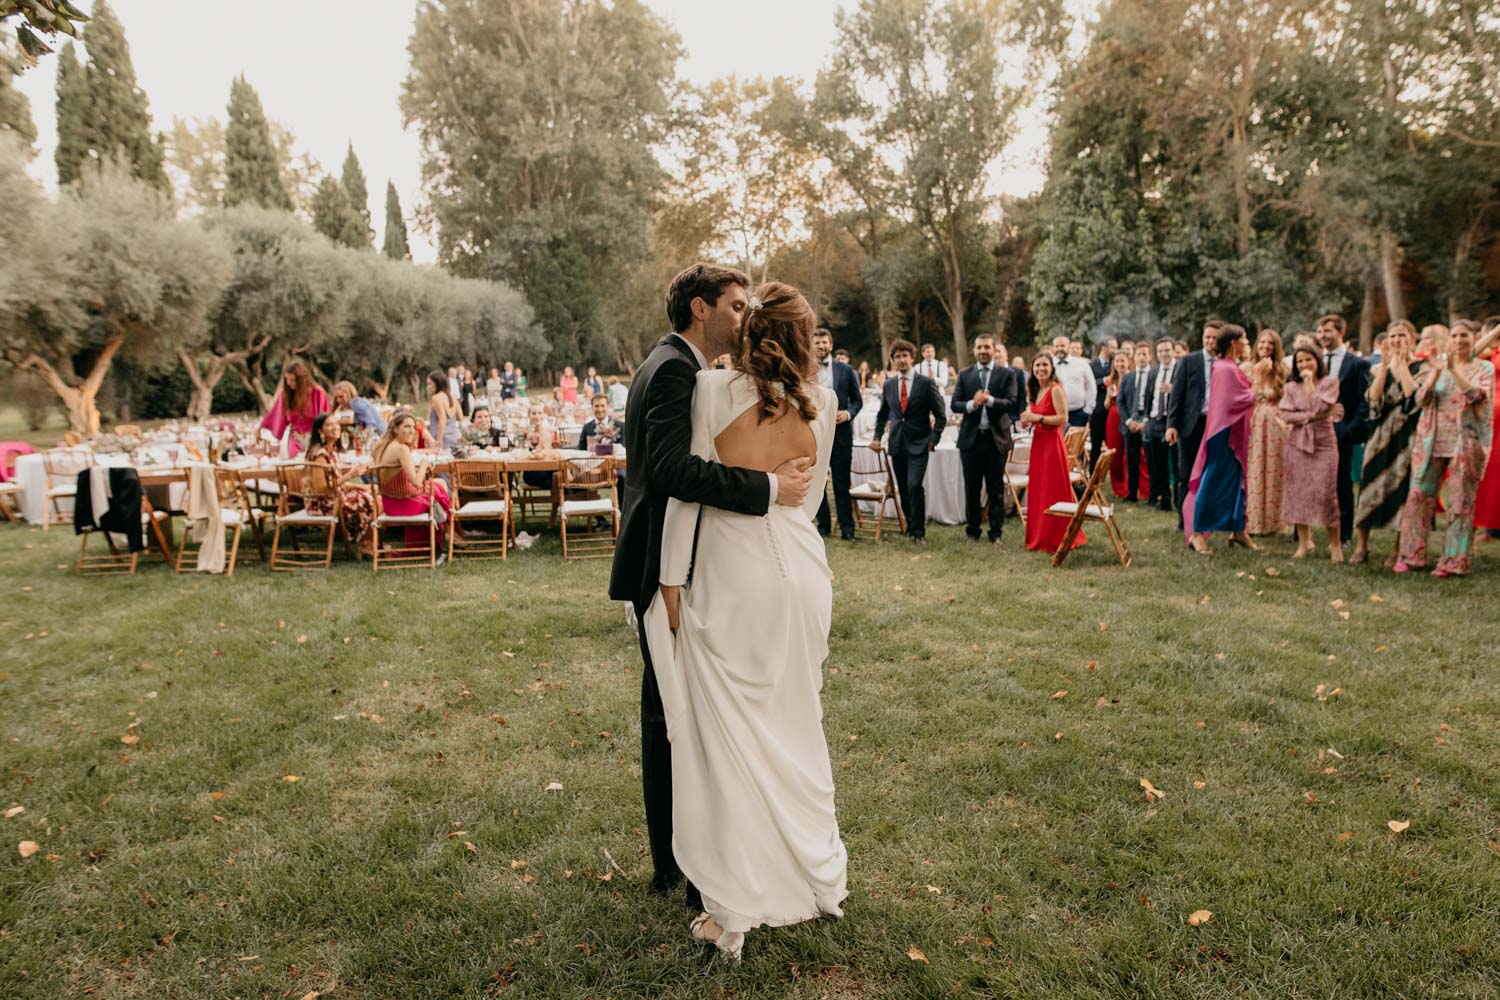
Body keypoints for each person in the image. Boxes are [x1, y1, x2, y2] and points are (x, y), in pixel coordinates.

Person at [640, 280, 845, 962]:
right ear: (804, 338)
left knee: (726, 744)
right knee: (793, 728)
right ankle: (816, 881)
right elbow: (806, 503)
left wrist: (670, 581)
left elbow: (684, 500)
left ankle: (730, 915)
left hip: (735, 581)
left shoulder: (712, 393)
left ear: (752, 329)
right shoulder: (829, 404)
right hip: (803, 574)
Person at [608, 263, 813, 919]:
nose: (742, 316)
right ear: (701, 309)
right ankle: (690, 865)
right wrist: (766, 490)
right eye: (733, 304)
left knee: (666, 718)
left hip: (655, 561)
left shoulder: (665, 363)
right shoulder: (675, 369)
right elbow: (670, 469)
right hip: (661, 566)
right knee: (680, 720)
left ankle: (676, 862)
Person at [1395, 321, 1495, 576]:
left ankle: (1453, 561)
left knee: (1460, 501)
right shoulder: (1439, 365)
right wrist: (1438, 373)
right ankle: (1411, 555)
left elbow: (1476, 397)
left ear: (1473, 339)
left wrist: (1454, 370)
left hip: (1465, 442)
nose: (1459, 340)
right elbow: (1420, 399)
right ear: (1449, 340)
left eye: (1464, 335)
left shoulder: (1483, 367)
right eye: (1455, 335)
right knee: (1418, 496)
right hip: (1432, 440)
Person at [1182, 324, 1259, 555]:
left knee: (1237, 480)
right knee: (1212, 480)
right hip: (1223, 435)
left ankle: (1238, 529)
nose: (1247, 343)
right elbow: (1231, 401)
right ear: (1233, 343)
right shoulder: (1224, 368)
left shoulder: (1232, 367)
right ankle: (1197, 533)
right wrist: (1259, 388)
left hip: (1235, 433)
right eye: (1244, 339)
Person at [1351, 322, 1424, 565]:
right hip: (1381, 434)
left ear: (1412, 338)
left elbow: (1411, 396)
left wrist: (1401, 363)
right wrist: (1384, 367)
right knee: (1369, 486)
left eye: (1402, 335)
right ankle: (1362, 544)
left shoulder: (1421, 366)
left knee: (1402, 488)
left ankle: (1397, 548)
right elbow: (1373, 399)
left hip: (1407, 435)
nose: (1396, 340)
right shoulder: (1377, 367)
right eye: (1392, 336)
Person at [873, 339, 946, 544]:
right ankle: (910, 525)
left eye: (905, 356)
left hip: (920, 443)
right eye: (897, 357)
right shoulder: (888, 384)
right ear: (893, 360)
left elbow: (941, 415)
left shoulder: (926, 383)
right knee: (903, 488)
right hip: (897, 443)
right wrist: (877, 437)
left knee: (915, 486)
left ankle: (919, 532)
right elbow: (882, 415)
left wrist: (934, 438)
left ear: (912, 358)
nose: (901, 360)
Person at [951, 334, 1022, 544]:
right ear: (974, 350)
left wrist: (989, 400)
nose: (983, 351)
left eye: (987, 347)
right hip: (971, 440)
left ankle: (996, 533)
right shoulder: (965, 374)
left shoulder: (1007, 374)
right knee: (971, 488)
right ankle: (972, 531)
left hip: (995, 440)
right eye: (979, 347)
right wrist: (972, 404)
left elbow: (1012, 403)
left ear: (994, 350)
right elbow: (955, 404)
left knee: (995, 489)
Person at [1279, 347, 1344, 561]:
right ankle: (1305, 542)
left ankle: (1335, 545)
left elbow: (1320, 407)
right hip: (1297, 443)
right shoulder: (1290, 386)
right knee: (1298, 492)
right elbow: (1286, 414)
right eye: (1300, 361)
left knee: (1326, 493)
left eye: (1308, 360)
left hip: (1324, 443)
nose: (1304, 365)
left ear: (1317, 360)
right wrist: (1309, 417)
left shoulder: (1330, 382)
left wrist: (1309, 386)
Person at [1316, 314, 1371, 545]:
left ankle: (1345, 533)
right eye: (1320, 332)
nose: (1322, 336)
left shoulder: (1357, 363)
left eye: (1327, 331)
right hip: (1315, 428)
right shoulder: (1314, 360)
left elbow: (1364, 400)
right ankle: (1300, 532)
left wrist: (1349, 430)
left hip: (1342, 430)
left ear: (1341, 331)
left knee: (1342, 483)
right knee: (1308, 479)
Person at [1021, 353, 1085, 554]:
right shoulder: (1036, 389)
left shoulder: (1056, 389)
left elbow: (1063, 418)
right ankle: (1039, 533)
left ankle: (1055, 536)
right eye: (1037, 365)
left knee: (1051, 488)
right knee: (1039, 489)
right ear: (1032, 368)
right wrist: (1029, 420)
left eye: (1044, 365)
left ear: (1051, 368)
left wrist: (1037, 418)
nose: (1041, 369)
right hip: (1039, 443)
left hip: (1052, 444)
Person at [370, 409, 454, 554]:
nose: (412, 431)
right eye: (407, 426)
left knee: (438, 485)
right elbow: (416, 481)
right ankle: (447, 534)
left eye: (413, 427)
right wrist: (424, 463)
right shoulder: (401, 449)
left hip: (390, 504)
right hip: (403, 506)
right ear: (396, 429)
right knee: (438, 491)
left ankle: (445, 534)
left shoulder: (385, 446)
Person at [1166, 321, 1223, 527]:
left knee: (1213, 473)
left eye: (1214, 338)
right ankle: (1184, 521)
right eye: (1207, 337)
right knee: (1186, 474)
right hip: (1191, 424)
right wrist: (1171, 425)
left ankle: (1209, 517)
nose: (1210, 341)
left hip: (1217, 424)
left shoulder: (1226, 361)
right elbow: (1176, 394)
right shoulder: (1190, 361)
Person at [810, 329, 862, 541]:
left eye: (824, 342)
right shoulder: (804, 368)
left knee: (842, 484)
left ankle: (847, 529)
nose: (821, 346)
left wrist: (848, 413)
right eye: (817, 342)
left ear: (830, 344)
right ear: (811, 345)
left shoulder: (845, 370)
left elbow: (857, 400)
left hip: (840, 435)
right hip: (813, 435)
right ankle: (822, 526)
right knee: (817, 483)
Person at [306, 413, 376, 547]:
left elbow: (336, 484)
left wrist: (363, 487)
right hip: (322, 504)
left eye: (336, 424)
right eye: (329, 424)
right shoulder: (319, 455)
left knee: (372, 494)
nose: (335, 427)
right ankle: (364, 543)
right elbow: (321, 489)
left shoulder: (330, 451)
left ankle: (366, 541)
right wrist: (350, 475)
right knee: (369, 500)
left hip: (333, 498)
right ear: (320, 430)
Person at [1244, 330, 1287, 536]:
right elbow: (1245, 397)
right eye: (1262, 342)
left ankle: (1275, 522)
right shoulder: (1246, 367)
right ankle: (1253, 521)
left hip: (1278, 425)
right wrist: (1258, 374)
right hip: (1253, 423)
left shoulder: (1282, 370)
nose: (1266, 346)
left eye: (1270, 343)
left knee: (1275, 470)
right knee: (1255, 469)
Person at [259, 359, 329, 457]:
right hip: (295, 439)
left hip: (315, 437)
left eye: (292, 380)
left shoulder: (318, 393)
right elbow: (276, 415)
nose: (289, 383)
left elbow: (326, 419)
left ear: (301, 379)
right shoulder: (285, 395)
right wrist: (260, 428)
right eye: (287, 379)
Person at [1471, 316, 1500, 537]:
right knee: (1491, 471)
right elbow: (1470, 353)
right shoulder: (1490, 354)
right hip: (1491, 417)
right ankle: (1490, 525)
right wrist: (1491, 335)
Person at [1116, 343, 1155, 502]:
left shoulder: (1154, 375)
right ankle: (1132, 494)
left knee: (1151, 460)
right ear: (1134, 356)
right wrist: (1128, 421)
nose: (1141, 357)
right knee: (1131, 460)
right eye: (1139, 354)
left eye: (1145, 354)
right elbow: (1120, 402)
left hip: (1148, 419)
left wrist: (1146, 420)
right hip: (1131, 420)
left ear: (1150, 357)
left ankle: (1153, 495)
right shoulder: (1127, 377)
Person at [1143, 338, 1176, 511]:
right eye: (1161, 351)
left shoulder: (1179, 370)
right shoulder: (1154, 372)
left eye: (1167, 350)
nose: (1164, 354)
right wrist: (1148, 418)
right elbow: (1149, 396)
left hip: (1172, 421)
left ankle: (1179, 499)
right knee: (1158, 464)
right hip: (1155, 421)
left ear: (1173, 351)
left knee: (1177, 463)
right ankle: (1164, 500)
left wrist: (1174, 388)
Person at [1101, 349, 1133, 499]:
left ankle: (1132, 485)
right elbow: (1106, 405)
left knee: (1131, 452)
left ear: (1128, 363)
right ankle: (1118, 487)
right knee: (1115, 452)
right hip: (1113, 419)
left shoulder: (1134, 378)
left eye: (1122, 361)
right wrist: (1109, 395)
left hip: (1130, 418)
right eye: (1117, 361)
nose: (1120, 364)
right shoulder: (1110, 382)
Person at [1049, 335, 1097, 429]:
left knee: (1076, 443)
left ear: (1068, 346)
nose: (1059, 349)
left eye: (1062, 346)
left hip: (1078, 414)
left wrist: (1088, 410)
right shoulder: (1049, 364)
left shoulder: (1081, 364)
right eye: (1056, 346)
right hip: (1054, 414)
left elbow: (1091, 386)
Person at [1089, 337, 1117, 470]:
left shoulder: (1115, 363)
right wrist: (1104, 380)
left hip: (1113, 411)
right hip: (1097, 411)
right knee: (1096, 445)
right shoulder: (1091, 365)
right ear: (1104, 347)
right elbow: (1089, 384)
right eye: (1113, 347)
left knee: (1113, 445)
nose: (1115, 350)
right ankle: (1092, 474)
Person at [426, 370, 461, 451]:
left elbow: (442, 419)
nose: (428, 387)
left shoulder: (436, 398)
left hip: (440, 437)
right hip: (453, 436)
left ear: (437, 383)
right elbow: (460, 417)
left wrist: (439, 440)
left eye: (430, 383)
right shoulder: (452, 397)